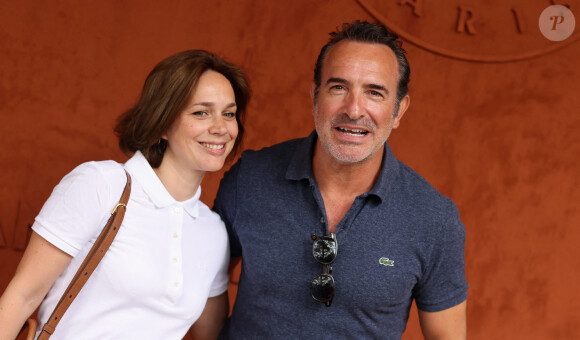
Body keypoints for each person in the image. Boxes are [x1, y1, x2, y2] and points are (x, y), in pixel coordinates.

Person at [214, 20, 468, 339]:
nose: (354, 109)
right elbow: (204, 287)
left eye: (374, 92)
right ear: (315, 96)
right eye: (338, 87)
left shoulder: (435, 220)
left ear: (399, 110)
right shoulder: (250, 178)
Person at [0, 49, 250, 339]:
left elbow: (212, 335)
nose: (220, 127)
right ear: (164, 122)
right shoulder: (101, 185)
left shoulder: (213, 232)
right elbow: (21, 297)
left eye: (228, 114)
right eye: (201, 112)